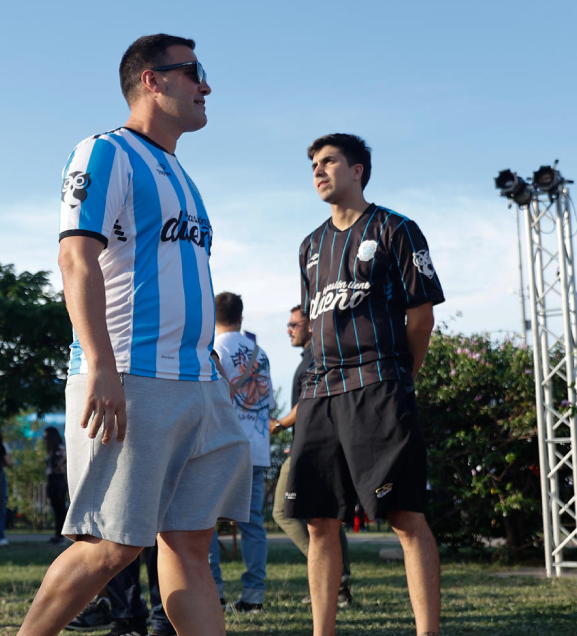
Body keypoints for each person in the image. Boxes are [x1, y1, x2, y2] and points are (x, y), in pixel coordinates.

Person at [18, 34, 251, 636]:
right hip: (131, 375)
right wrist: (100, 366)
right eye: (194, 72)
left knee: (189, 546)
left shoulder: (180, 172)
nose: (207, 86)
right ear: (152, 80)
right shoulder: (104, 152)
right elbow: (75, 260)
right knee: (110, 546)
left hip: (198, 383)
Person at [287, 133, 444, 636]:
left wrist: (402, 375)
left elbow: (421, 318)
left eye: (329, 161)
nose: (318, 170)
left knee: (405, 517)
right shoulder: (310, 246)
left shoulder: (397, 229)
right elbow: (313, 325)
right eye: (313, 163)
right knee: (317, 522)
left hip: (379, 384)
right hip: (319, 394)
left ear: (358, 170)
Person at [269, 305, 353, 606]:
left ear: (311, 325)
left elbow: (306, 405)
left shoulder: (316, 359)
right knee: (326, 516)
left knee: (283, 512)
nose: (289, 329)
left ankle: (336, 575)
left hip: (312, 447)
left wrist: (279, 424)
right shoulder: (315, 357)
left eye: (294, 324)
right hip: (314, 444)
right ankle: (338, 585)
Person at [211, 292, 273, 613]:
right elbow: (268, 403)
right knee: (253, 525)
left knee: (203, 520)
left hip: (223, 445)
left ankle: (213, 592)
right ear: (241, 316)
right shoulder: (260, 353)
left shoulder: (215, 349)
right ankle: (253, 596)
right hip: (258, 448)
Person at [43, 427, 68, 545]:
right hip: (52, 479)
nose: (45, 440)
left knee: (60, 509)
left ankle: (60, 535)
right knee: (56, 508)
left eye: (46, 437)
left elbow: (66, 457)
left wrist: (58, 467)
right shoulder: (51, 450)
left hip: (58, 480)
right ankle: (57, 534)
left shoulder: (59, 448)